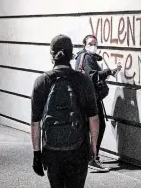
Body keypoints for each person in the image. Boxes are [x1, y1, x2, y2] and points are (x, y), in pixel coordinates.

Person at [31, 34, 99, 188]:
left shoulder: (41, 81)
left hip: (52, 149)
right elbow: (93, 118)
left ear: (52, 56)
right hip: (78, 149)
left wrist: (37, 154)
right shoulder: (84, 81)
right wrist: (93, 146)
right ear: (71, 55)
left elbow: (35, 123)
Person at [75, 34, 121, 172]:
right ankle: (93, 158)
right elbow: (93, 76)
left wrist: (108, 72)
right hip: (91, 98)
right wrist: (109, 70)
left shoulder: (80, 56)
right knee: (98, 127)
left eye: (95, 43)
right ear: (85, 45)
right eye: (90, 43)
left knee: (89, 128)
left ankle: (89, 157)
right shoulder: (87, 57)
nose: (93, 45)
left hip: (84, 97)